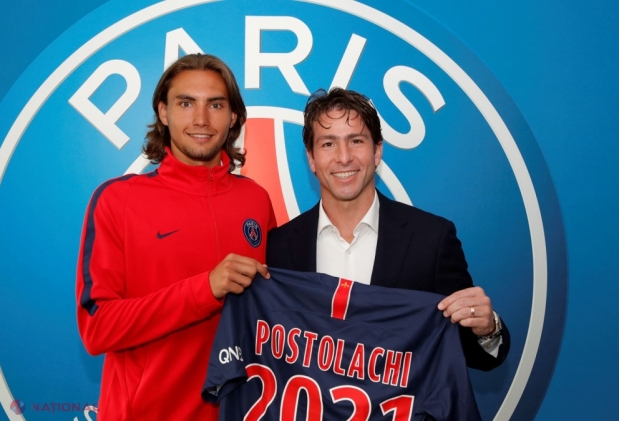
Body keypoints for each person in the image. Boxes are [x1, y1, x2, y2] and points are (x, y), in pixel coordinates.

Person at [76, 54, 275, 420]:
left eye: (216, 105)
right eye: (186, 103)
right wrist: (204, 289)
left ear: (233, 117)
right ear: (163, 112)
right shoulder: (117, 199)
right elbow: (96, 327)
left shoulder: (256, 200)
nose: (201, 119)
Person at [267, 88, 509, 371]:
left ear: (377, 151)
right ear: (311, 158)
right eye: (328, 144)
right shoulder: (279, 247)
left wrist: (487, 328)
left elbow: (474, 355)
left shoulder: (432, 240)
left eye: (356, 141)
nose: (344, 157)